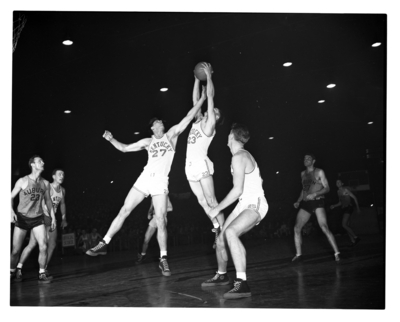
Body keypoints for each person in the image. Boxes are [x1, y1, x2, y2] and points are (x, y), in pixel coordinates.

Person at [86, 83, 208, 277]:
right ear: (153, 127)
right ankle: (104, 243)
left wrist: (202, 100)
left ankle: (163, 259)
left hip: (160, 183)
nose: (162, 123)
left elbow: (187, 118)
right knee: (124, 210)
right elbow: (125, 148)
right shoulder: (147, 142)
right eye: (158, 122)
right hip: (144, 179)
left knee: (161, 219)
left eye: (162, 121)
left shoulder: (171, 136)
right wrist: (111, 139)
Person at [201, 123, 268, 300]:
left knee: (231, 233)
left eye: (229, 133)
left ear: (231, 137)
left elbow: (237, 190)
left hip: (255, 203)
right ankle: (222, 274)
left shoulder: (239, 156)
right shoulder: (238, 156)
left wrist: (216, 209)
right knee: (222, 238)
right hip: (243, 203)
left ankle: (242, 283)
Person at [186, 63, 224, 249]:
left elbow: (209, 96)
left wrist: (209, 76)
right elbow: (196, 101)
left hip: (200, 165)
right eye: (213, 110)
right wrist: (195, 78)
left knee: (211, 200)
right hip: (189, 167)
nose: (213, 111)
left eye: (215, 112)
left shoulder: (209, 127)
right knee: (202, 202)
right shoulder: (198, 121)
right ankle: (216, 225)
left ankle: (223, 233)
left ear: (216, 119)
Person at [15, 169, 67, 281]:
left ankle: (43, 268)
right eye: (59, 174)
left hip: (51, 218)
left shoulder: (62, 190)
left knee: (52, 244)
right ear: (53, 176)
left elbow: (62, 204)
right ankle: (19, 267)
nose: (62, 176)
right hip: (42, 216)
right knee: (33, 244)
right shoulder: (47, 185)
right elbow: (42, 200)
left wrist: (63, 218)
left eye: (63, 174)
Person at [10, 155, 56, 283]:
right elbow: (10, 197)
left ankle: (42, 273)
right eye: (39, 161)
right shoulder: (23, 181)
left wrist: (52, 217)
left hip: (37, 218)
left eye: (43, 160)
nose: (43, 162)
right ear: (32, 164)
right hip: (22, 218)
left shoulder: (45, 183)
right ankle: (12, 271)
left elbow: (48, 200)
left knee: (43, 245)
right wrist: (10, 210)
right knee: (15, 251)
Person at [292, 154, 340, 263]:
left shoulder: (319, 172)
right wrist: (298, 201)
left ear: (313, 161)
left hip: (318, 201)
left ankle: (337, 253)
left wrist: (315, 194)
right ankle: (299, 255)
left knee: (324, 227)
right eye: (304, 158)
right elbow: (304, 190)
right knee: (296, 228)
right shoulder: (303, 174)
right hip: (306, 203)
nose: (306, 160)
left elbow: (327, 188)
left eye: (308, 158)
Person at [136, 196, 173, 263]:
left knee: (160, 239)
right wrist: (149, 213)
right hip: (154, 218)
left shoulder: (165, 196)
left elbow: (170, 208)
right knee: (146, 239)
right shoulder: (153, 197)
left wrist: (160, 210)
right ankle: (143, 255)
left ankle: (163, 257)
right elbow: (151, 208)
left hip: (162, 218)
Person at [330, 179, 361, 245]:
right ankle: (353, 241)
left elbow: (354, 197)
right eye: (336, 182)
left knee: (344, 225)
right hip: (344, 208)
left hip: (349, 208)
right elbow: (340, 202)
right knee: (347, 225)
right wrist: (334, 206)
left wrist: (358, 207)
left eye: (339, 182)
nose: (337, 183)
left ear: (342, 184)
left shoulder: (346, 190)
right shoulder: (338, 192)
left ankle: (356, 237)